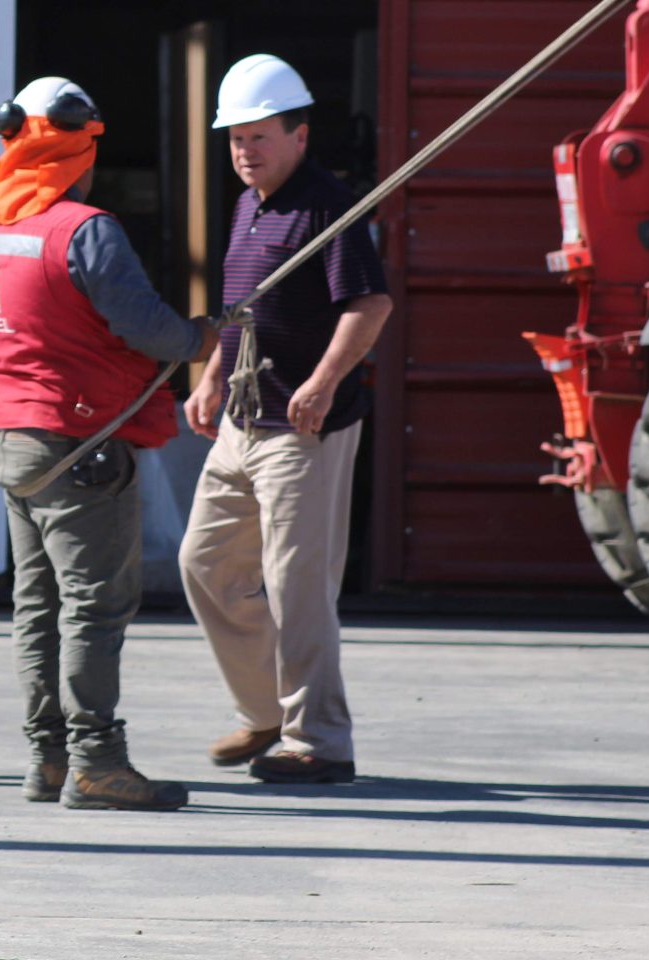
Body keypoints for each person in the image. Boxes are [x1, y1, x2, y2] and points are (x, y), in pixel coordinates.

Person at [0, 77, 216, 811]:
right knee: (92, 607)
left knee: (38, 607)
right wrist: (200, 338)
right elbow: (146, 329)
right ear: (78, 150)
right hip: (83, 445)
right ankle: (97, 761)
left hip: (16, 445)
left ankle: (47, 760)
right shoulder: (85, 230)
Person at [177, 54, 391, 785]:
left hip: (304, 428)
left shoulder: (329, 206)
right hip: (243, 420)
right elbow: (244, 313)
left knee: (298, 586)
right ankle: (265, 711)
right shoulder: (249, 205)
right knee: (203, 564)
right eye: (235, 137)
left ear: (300, 135)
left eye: (259, 136)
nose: (245, 150)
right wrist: (208, 378)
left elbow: (370, 305)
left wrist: (327, 382)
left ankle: (320, 742)